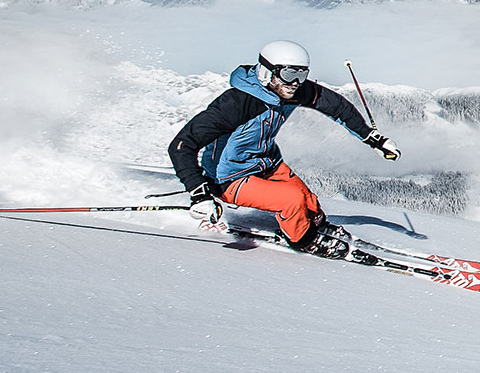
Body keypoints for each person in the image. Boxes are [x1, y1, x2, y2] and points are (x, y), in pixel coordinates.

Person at [169, 39, 398, 258]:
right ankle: (303, 240)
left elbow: (336, 106)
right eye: (289, 74)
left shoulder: (291, 91)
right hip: (228, 177)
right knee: (291, 200)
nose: (295, 83)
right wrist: (199, 192)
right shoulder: (237, 103)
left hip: (266, 162)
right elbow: (181, 145)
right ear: (266, 72)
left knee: (308, 200)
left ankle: (315, 225)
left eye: (302, 74)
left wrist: (372, 138)